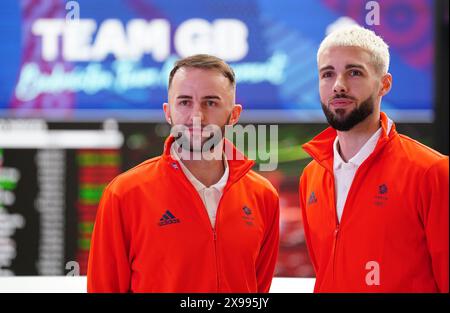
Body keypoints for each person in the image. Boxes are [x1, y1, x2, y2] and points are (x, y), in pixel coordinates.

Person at [87, 54, 280, 293]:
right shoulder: (124, 193)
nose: (196, 116)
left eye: (211, 102)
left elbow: (256, 291)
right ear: (168, 112)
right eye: (185, 102)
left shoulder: (263, 195)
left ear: (234, 114)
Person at [299, 25, 449, 292]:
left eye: (354, 72)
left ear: (384, 84)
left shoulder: (432, 171)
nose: (338, 86)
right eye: (327, 74)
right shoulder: (311, 175)